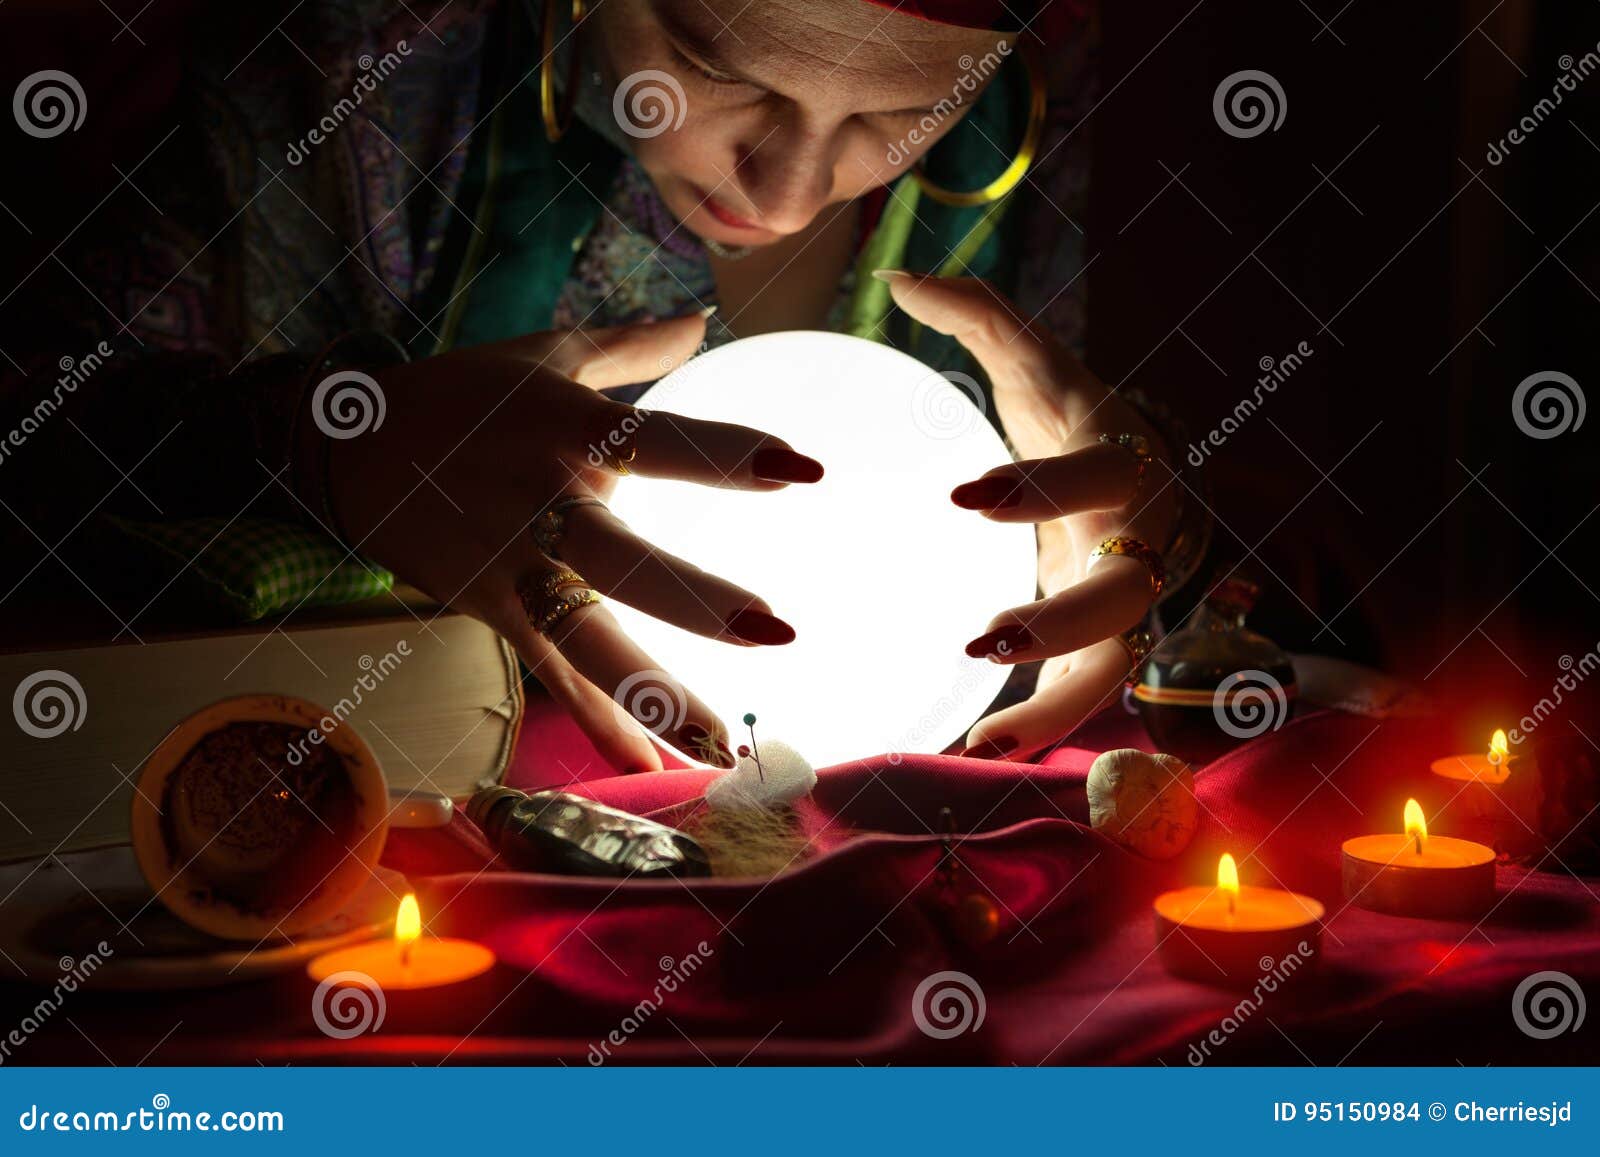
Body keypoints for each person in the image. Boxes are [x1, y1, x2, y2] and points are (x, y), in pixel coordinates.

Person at [0, 0, 1208, 771]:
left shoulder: (1019, 96)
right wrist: (318, 447)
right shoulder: (366, 61)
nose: (789, 192)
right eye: (707, 60)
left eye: (899, 111)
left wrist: (1145, 507)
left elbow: (1085, 457)